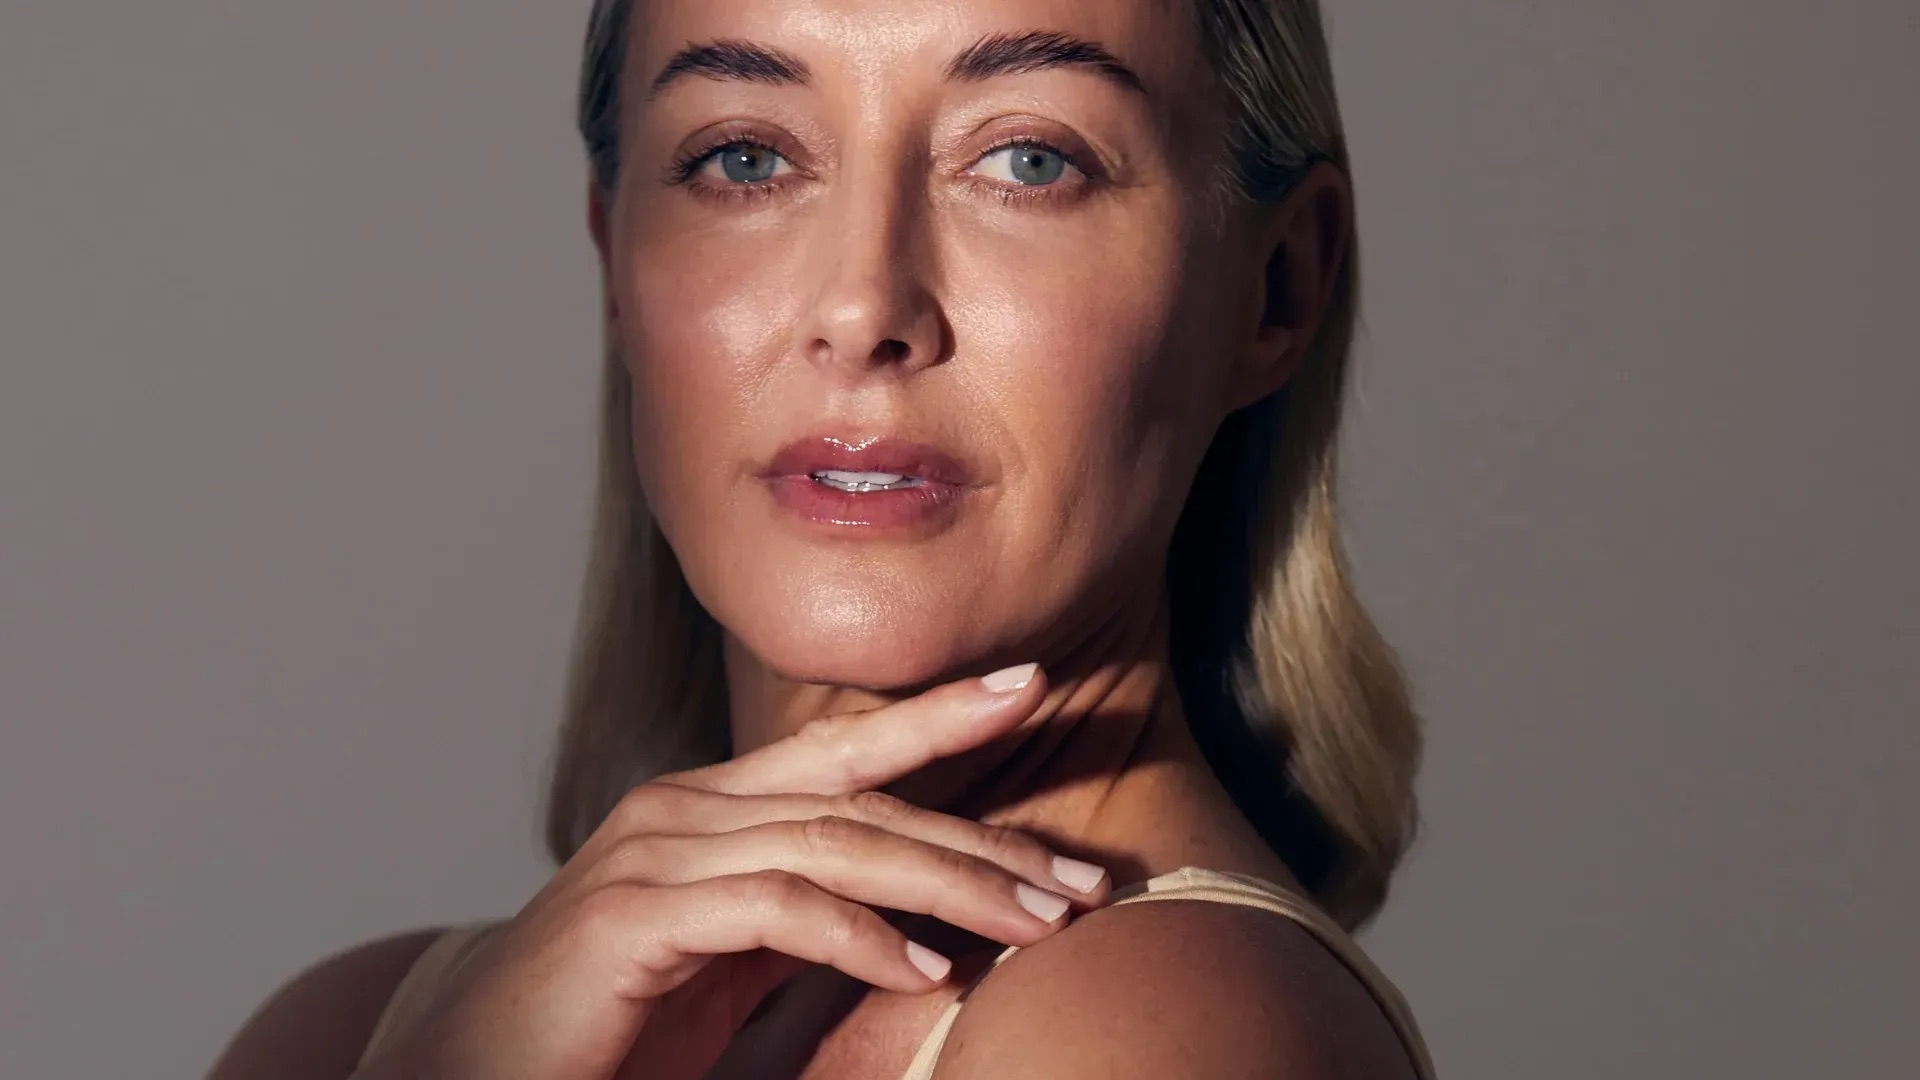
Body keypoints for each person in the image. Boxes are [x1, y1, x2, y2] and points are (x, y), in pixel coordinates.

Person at [210, 0, 1435, 1076]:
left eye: (1025, 159)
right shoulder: (350, 1033)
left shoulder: (1162, 1026)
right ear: (616, 268)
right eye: (744, 157)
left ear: (1277, 287)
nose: (862, 309)